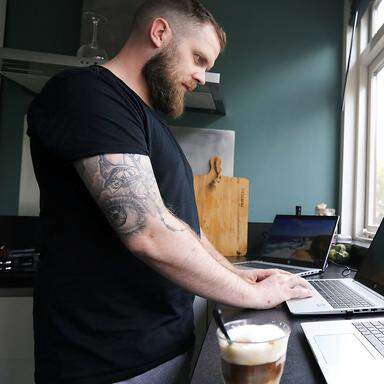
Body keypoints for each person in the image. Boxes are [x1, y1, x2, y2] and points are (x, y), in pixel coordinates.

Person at [26, 1, 312, 383]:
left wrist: (241, 277)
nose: (200, 76)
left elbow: (180, 227)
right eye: (198, 58)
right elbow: (149, 232)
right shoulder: (87, 94)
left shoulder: (144, 121)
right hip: (107, 363)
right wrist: (256, 298)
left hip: (162, 348)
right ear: (160, 33)